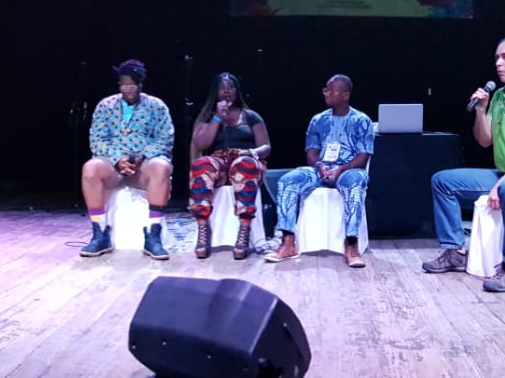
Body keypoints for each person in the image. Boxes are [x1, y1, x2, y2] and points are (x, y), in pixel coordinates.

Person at [422, 35, 505, 293]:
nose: (498, 63)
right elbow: (484, 141)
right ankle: (455, 252)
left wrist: (503, 182)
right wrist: (481, 111)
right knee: (442, 181)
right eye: (497, 57)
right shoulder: (498, 97)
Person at [265, 74, 373, 268]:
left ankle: (351, 245)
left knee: (354, 182)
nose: (326, 93)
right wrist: (320, 166)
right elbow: (312, 153)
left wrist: (341, 169)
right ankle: (288, 242)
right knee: (288, 180)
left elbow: (363, 157)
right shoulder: (318, 120)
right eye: (325, 89)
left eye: (331, 90)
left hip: (349, 170)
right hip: (321, 169)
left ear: (346, 95)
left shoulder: (361, 120)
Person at [78, 59, 175, 260]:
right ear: (119, 85)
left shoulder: (157, 106)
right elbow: (97, 139)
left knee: (161, 167)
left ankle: (153, 235)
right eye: (124, 85)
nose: (128, 89)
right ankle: (100, 234)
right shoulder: (105, 106)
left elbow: (165, 139)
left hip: (143, 165)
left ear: (141, 84)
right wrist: (117, 160)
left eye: (133, 85)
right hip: (113, 166)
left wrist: (142, 156)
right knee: (90, 169)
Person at [187, 73, 271, 259]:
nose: (226, 91)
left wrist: (251, 152)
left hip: (245, 160)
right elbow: (201, 144)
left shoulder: (250, 116)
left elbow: (266, 147)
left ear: (237, 91)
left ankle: (244, 229)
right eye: (221, 88)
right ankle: (203, 229)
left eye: (230, 87)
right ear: (215, 93)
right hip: (219, 163)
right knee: (202, 165)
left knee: (244, 165)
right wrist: (217, 118)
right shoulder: (208, 117)